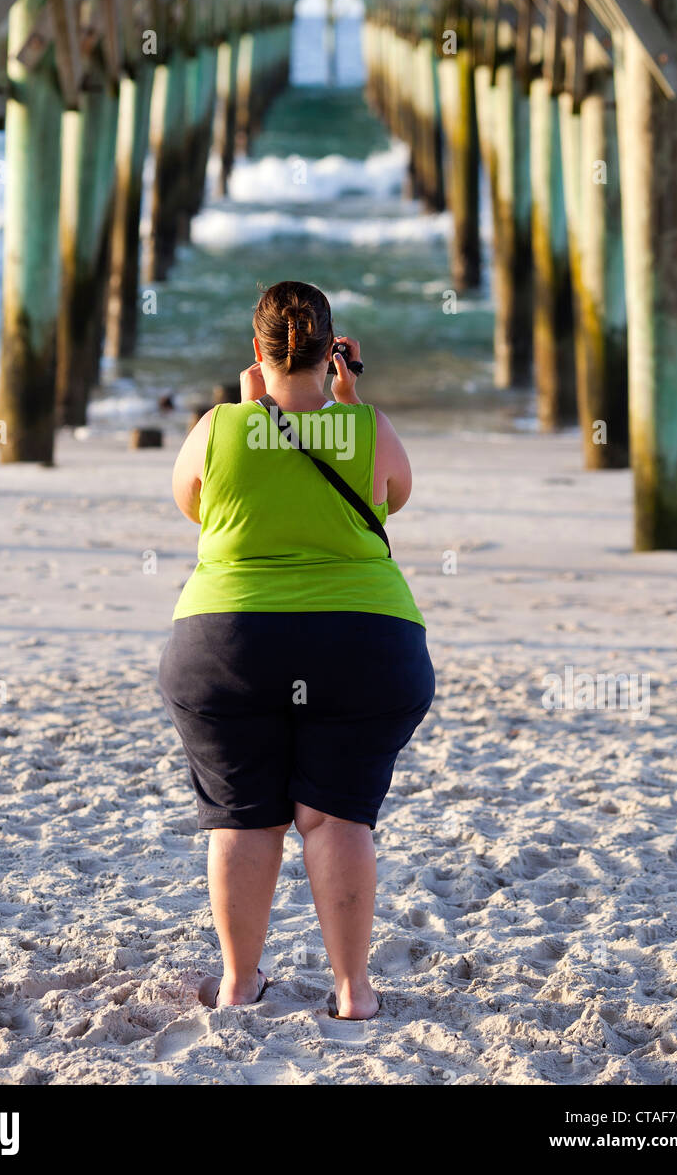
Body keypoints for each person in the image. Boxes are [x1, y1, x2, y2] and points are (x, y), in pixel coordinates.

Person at [158, 281, 435, 1020]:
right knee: (338, 817)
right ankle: (353, 991)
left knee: (244, 817)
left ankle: (239, 983)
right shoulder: (367, 425)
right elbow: (396, 496)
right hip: (364, 641)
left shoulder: (219, 426)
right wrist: (343, 407)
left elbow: (193, 502)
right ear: (333, 352)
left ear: (258, 352)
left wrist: (256, 414)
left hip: (228, 644)